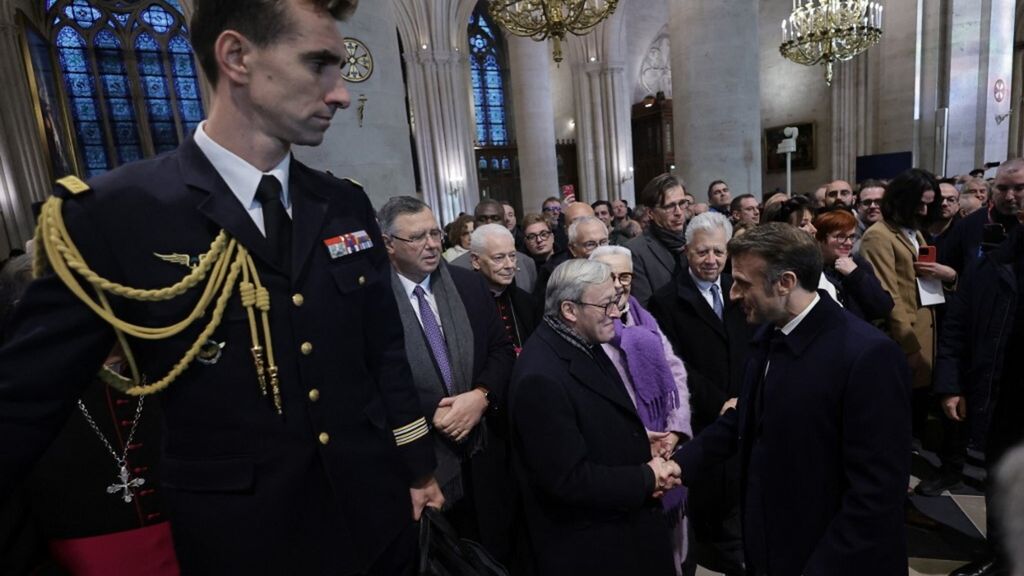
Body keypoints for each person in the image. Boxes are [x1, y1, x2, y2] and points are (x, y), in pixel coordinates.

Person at [0, 1, 443, 573]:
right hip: (243, 541)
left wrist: (417, 467)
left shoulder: (342, 204)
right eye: (318, 65)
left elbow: (383, 355)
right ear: (235, 56)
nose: (339, 93)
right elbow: (23, 404)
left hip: (373, 521)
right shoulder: (116, 214)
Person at [673, 223, 912, 576]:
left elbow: (876, 493)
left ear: (785, 282)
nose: (734, 294)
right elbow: (746, 417)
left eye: (743, 282)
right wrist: (678, 464)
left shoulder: (868, 356)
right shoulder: (771, 331)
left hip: (828, 557)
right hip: (775, 542)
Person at [509, 259, 679, 576]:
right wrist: (646, 477)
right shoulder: (540, 377)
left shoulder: (579, 338)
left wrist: (638, 438)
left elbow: (590, 417)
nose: (615, 313)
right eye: (605, 305)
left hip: (621, 528)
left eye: (615, 301)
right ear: (569, 310)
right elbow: (567, 480)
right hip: (595, 546)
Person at [381, 197, 516, 564]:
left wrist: (480, 396)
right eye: (417, 237)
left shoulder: (467, 285)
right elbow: (370, 375)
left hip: (482, 450)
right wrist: (431, 410)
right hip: (419, 458)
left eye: (435, 233)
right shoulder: (371, 297)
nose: (432, 244)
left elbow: (502, 350)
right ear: (388, 244)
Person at [648, 212, 753, 576]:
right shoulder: (666, 300)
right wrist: (718, 400)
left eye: (719, 252)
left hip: (744, 403)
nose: (711, 260)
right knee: (710, 486)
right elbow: (673, 363)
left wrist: (745, 393)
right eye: (702, 252)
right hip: (703, 410)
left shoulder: (741, 288)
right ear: (686, 253)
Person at [933, 178, 1023, 576]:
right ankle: (1000, 557)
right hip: (1001, 392)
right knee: (1001, 480)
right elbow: (957, 326)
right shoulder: (993, 262)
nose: (1014, 197)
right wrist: (951, 383)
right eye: (1006, 188)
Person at [591, 246, 693, 575]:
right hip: (626, 456)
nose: (619, 285)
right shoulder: (590, 325)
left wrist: (676, 429)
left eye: (626, 276)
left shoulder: (643, 318)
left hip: (664, 445)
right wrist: (639, 438)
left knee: (672, 548)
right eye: (611, 276)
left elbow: (675, 372)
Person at [860, 169, 955, 433]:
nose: (925, 211)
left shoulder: (915, 232)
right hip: (905, 337)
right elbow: (888, 294)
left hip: (927, 329)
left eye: (928, 204)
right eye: (919, 204)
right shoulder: (879, 235)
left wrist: (950, 277)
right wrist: (910, 346)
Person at [813, 209, 894, 323]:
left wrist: (856, 275)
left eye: (851, 236)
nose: (849, 243)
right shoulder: (811, 269)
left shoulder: (859, 265)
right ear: (820, 238)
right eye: (840, 236)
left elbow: (883, 307)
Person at [470, 223, 538, 355]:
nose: (509, 265)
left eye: (512, 256)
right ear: (476, 261)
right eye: (498, 258)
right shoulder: (465, 303)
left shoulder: (526, 302)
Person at [628, 173, 690, 306]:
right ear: (651, 213)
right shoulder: (635, 251)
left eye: (682, 203)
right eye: (669, 206)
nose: (678, 212)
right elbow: (644, 309)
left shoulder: (696, 241)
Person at [451, 199, 537, 292]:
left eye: (495, 218)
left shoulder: (527, 263)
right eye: (482, 219)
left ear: (505, 223)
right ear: (475, 225)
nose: (489, 223)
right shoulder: (456, 268)